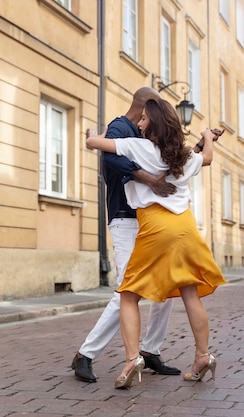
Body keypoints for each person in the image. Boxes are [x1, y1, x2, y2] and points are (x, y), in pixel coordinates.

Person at [86, 98, 227, 389]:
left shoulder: (140, 147)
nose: (139, 123)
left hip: (155, 227)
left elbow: (96, 145)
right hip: (186, 228)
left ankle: (132, 359)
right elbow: (208, 158)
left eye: (144, 120)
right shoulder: (185, 157)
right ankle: (203, 355)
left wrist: (93, 135)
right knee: (190, 293)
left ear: (154, 124)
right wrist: (207, 137)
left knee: (129, 293)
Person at [71, 87, 181, 383]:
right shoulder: (121, 127)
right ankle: (85, 354)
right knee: (127, 289)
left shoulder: (148, 134)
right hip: (125, 219)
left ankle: (151, 350)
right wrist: (145, 177)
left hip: (152, 221)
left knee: (167, 287)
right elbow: (110, 160)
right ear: (145, 107)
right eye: (153, 111)